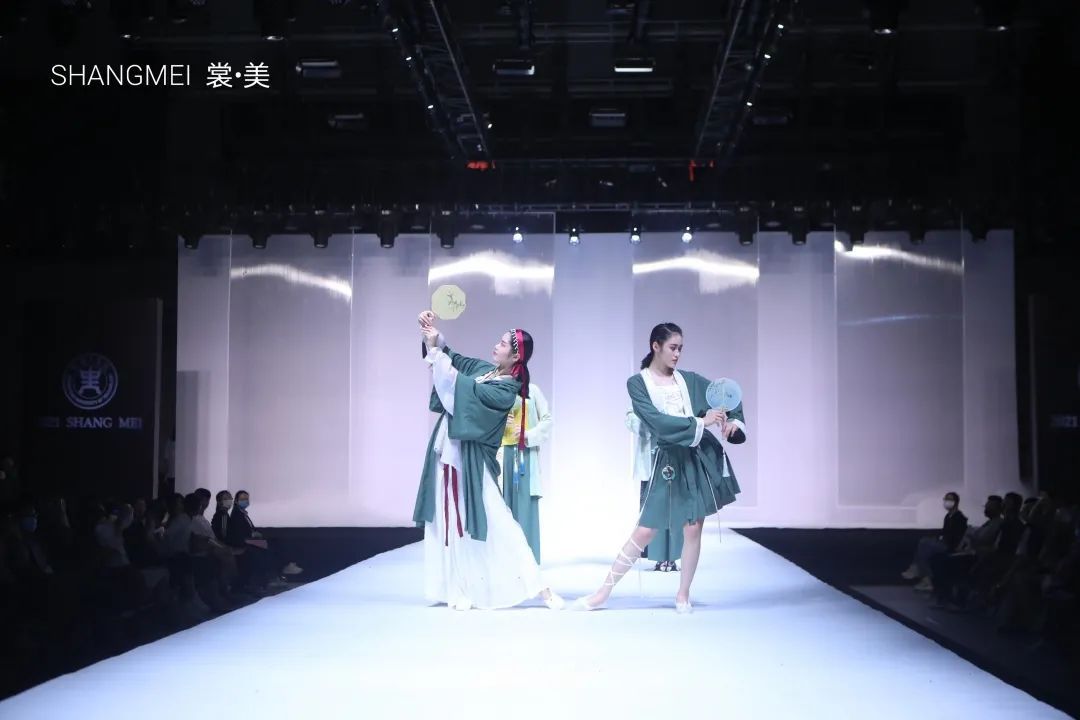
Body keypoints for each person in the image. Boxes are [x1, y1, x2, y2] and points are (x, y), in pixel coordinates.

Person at [577, 323, 745, 613]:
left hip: (694, 458)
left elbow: (728, 395)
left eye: (680, 348)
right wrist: (700, 422)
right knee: (645, 530)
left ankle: (683, 594)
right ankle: (603, 592)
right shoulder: (638, 383)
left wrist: (732, 422)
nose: (677, 354)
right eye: (672, 348)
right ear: (656, 346)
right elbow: (657, 422)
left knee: (693, 528)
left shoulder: (689, 380)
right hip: (665, 460)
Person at [414, 310, 563, 611]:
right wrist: (433, 337)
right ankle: (456, 587)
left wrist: (436, 355)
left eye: (503, 344)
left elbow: (457, 387)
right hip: (449, 453)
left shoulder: (506, 389)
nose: (496, 345)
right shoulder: (486, 371)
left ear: (516, 356)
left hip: (469, 462)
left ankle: (539, 586)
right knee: (449, 521)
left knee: (498, 521)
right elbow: (454, 360)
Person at [496, 376, 553, 564]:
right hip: (502, 454)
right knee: (502, 508)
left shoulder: (532, 390)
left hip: (524, 455)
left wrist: (528, 434)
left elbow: (547, 420)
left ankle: (528, 561)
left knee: (525, 506)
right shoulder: (496, 388)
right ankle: (505, 560)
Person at [902, 491, 968, 588]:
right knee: (923, 547)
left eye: (950, 499)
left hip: (950, 546)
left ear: (956, 502)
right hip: (944, 542)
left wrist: (941, 541)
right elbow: (945, 532)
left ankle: (919, 571)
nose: (947, 501)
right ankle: (924, 577)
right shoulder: (948, 517)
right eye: (946, 499)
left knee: (924, 543)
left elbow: (956, 536)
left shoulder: (960, 518)